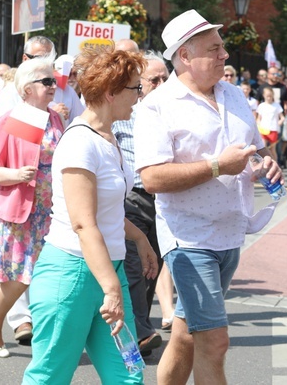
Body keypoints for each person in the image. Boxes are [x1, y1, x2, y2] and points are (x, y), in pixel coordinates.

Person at [134, 9, 283, 385]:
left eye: (222, 48)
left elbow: (256, 149)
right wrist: (218, 166)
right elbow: (151, 178)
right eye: (214, 49)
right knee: (214, 343)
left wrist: (266, 165)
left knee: (185, 337)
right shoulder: (156, 105)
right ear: (185, 56)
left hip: (231, 232)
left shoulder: (233, 93)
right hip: (190, 238)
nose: (225, 56)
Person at [23, 46, 158, 384]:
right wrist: (112, 288)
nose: (139, 96)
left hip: (106, 269)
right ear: (111, 93)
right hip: (72, 273)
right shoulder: (80, 142)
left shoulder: (107, 137)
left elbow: (106, 209)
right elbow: (83, 222)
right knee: (50, 376)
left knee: (128, 373)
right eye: (135, 88)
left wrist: (139, 237)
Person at [0, 59, 64, 357]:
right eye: (47, 82)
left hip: (52, 210)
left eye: (53, 81)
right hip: (21, 209)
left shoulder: (55, 119)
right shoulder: (12, 119)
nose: (54, 86)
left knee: (48, 276)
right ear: (27, 89)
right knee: (19, 277)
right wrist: (16, 175)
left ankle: (45, 337)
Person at [112, 51, 169, 357]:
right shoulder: (126, 112)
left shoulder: (172, 113)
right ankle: (141, 332)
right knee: (134, 266)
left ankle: (136, 330)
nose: (160, 84)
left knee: (152, 267)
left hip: (162, 199)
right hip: (131, 196)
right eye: (153, 80)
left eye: (165, 78)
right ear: (139, 84)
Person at [0, 36, 84, 123]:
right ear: (25, 58)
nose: (46, 64)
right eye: (40, 58)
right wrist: (49, 115)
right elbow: (3, 129)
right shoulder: (10, 92)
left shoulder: (66, 91)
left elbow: (81, 124)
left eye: (50, 59)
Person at [256, 87, 284, 162]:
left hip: (273, 128)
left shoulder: (276, 105)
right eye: (267, 96)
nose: (269, 98)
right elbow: (258, 118)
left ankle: (275, 163)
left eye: (270, 96)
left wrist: (280, 122)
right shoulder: (261, 106)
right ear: (264, 95)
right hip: (263, 129)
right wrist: (258, 124)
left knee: (272, 148)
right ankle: (265, 165)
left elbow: (282, 117)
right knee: (263, 147)